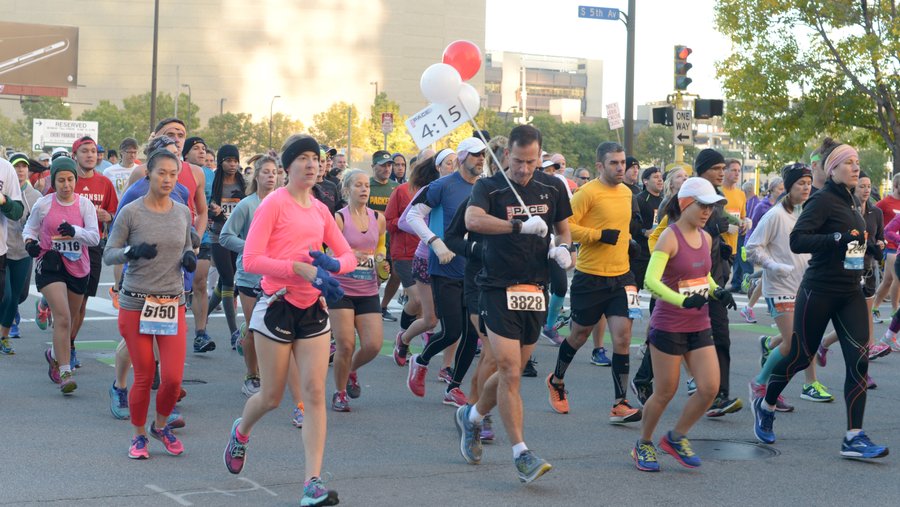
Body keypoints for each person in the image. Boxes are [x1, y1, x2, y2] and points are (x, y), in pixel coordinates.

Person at [223, 134, 355, 506]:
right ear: (287, 167)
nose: (312, 164)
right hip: (277, 304)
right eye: (303, 158)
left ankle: (312, 481)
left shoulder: (320, 210)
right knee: (271, 396)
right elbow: (251, 260)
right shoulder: (273, 205)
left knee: (314, 394)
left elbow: (347, 255)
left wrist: (333, 265)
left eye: (316, 158)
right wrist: (295, 267)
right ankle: (241, 431)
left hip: (313, 309)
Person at [751, 138, 888, 459]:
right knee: (800, 356)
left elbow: (851, 243)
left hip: (851, 290)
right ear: (833, 169)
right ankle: (766, 403)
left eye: (857, 162)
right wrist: (838, 237)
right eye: (849, 162)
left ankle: (854, 437)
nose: (856, 167)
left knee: (859, 360)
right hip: (820, 289)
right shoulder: (823, 200)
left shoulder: (853, 201)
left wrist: (869, 248)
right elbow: (799, 240)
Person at [455, 124, 573, 483]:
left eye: (531, 161)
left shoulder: (552, 186)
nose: (524, 169)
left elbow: (564, 228)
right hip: (495, 286)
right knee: (507, 369)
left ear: (540, 156)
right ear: (506, 155)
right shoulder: (489, 187)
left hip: (533, 289)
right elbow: (472, 220)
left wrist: (563, 248)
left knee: (513, 373)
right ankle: (521, 453)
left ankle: (471, 417)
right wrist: (518, 227)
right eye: (518, 161)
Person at [103, 148, 195, 458]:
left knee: (172, 378)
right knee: (143, 374)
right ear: (148, 175)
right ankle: (139, 434)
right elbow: (109, 254)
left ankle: (161, 425)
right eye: (161, 173)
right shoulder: (132, 211)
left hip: (171, 303)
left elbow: (187, 245)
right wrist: (131, 252)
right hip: (135, 302)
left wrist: (189, 257)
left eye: (173, 174)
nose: (168, 179)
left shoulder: (182, 211)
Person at [631, 177, 727, 472]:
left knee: (710, 387)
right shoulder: (669, 237)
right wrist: (681, 301)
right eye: (702, 205)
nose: (708, 211)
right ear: (685, 204)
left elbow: (703, 276)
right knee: (665, 391)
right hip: (669, 325)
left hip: (699, 325)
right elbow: (650, 280)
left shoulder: (707, 238)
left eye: (712, 206)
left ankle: (676, 437)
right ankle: (643, 443)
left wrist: (716, 291)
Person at [546, 141, 643, 423]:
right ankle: (557, 380)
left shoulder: (627, 193)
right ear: (600, 165)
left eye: (623, 162)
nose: (620, 167)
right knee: (579, 335)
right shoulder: (586, 193)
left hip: (623, 276)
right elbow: (564, 229)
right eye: (614, 163)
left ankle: (620, 403)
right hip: (590, 276)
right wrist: (598, 236)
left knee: (623, 337)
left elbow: (622, 228)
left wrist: (630, 242)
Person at [220, 154, 305, 426]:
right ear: (256, 176)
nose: (271, 176)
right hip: (250, 276)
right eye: (266, 172)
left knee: (285, 335)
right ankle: (252, 375)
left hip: (280, 278)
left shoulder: (287, 203)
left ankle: (296, 398)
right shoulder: (247, 205)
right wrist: (252, 246)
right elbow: (225, 236)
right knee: (255, 331)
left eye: (275, 172)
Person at [404, 138, 486, 406]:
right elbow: (412, 216)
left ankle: (454, 387)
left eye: (483, 155)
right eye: (475, 155)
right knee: (451, 331)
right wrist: (434, 242)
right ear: (462, 157)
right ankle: (421, 359)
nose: (481, 159)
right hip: (445, 267)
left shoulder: (486, 189)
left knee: (472, 334)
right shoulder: (442, 185)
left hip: (474, 270)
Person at [747, 164, 832, 409]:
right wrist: (773, 266)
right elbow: (752, 247)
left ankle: (773, 384)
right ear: (788, 187)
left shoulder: (808, 213)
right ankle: (760, 384)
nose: (806, 188)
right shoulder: (775, 215)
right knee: (793, 343)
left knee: (801, 343)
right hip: (779, 287)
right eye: (800, 184)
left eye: (808, 183)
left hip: (805, 286)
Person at [24, 157, 99, 394]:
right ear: (53, 182)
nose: (66, 185)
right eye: (61, 180)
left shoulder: (84, 205)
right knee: (63, 317)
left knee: (71, 318)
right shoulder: (44, 204)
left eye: (70, 180)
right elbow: (30, 228)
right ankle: (66, 372)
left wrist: (75, 232)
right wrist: (30, 243)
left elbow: (95, 237)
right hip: (50, 264)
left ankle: (54, 355)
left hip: (78, 267)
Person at [329, 169, 388, 411]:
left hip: (368, 289)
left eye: (367, 186)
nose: (364, 189)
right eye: (358, 185)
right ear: (347, 190)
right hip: (341, 289)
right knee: (345, 344)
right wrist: (348, 256)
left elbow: (380, 245)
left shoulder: (378, 217)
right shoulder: (339, 218)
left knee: (373, 345)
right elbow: (328, 252)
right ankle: (340, 392)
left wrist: (382, 260)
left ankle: (351, 370)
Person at [819, 171, 886, 380]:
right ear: (854, 190)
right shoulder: (849, 211)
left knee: (861, 325)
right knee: (859, 326)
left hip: (869, 271)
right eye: (861, 186)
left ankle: (825, 344)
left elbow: (879, 238)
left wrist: (880, 246)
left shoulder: (876, 213)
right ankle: (862, 372)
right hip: (849, 272)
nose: (866, 190)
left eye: (868, 186)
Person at [66, 136, 119, 369]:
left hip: (92, 247)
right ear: (74, 155)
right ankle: (64, 343)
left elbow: (115, 211)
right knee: (65, 300)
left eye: (93, 151)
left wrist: (108, 216)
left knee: (82, 301)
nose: (90, 155)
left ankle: (69, 344)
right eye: (84, 151)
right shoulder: (67, 179)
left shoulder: (104, 183)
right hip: (64, 246)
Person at [206, 144, 246, 351]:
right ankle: (234, 334)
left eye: (235, 160)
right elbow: (204, 209)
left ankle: (201, 318)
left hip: (237, 238)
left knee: (224, 282)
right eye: (228, 160)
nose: (232, 164)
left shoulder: (243, 183)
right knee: (229, 281)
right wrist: (215, 213)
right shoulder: (213, 183)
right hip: (218, 237)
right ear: (221, 162)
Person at [367, 150, 400, 321]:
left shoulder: (396, 187)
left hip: (394, 239)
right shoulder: (367, 185)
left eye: (389, 165)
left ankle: (383, 306)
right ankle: (370, 308)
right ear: (373, 167)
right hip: (373, 240)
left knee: (397, 274)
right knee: (377, 276)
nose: (387, 169)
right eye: (383, 165)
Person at [0, 155, 27, 354]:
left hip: (9, 249)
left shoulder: (4, 168)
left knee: (10, 296)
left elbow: (17, 211)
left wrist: (3, 200)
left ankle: (4, 336)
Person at [871, 173, 900, 322]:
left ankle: (874, 307)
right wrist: (877, 237)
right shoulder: (884, 203)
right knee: (897, 279)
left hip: (899, 247)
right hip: (890, 246)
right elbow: (871, 215)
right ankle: (895, 310)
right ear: (896, 185)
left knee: (888, 280)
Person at [720, 160, 749, 293]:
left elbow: (742, 217)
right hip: (718, 244)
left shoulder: (741, 194)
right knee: (720, 278)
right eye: (733, 170)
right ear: (724, 171)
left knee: (725, 278)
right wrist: (725, 227)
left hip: (734, 244)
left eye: (739, 170)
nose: (737, 173)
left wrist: (746, 223)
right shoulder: (718, 192)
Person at [634, 167, 664, 290]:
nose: (660, 180)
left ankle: (657, 309)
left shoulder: (664, 201)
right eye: (656, 177)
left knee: (657, 290)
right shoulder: (639, 199)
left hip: (658, 252)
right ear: (645, 181)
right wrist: (644, 231)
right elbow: (631, 223)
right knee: (634, 287)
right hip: (641, 253)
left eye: (661, 177)